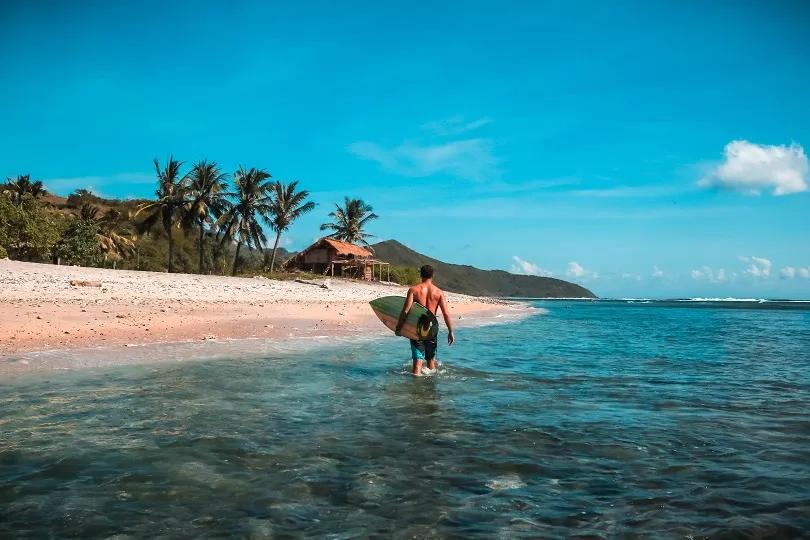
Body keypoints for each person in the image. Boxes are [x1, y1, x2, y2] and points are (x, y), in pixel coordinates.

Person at [394, 264, 455, 376]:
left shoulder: (414, 290)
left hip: (416, 329)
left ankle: (416, 388)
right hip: (431, 328)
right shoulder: (439, 292)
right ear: (432, 275)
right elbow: (446, 314)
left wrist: (398, 328)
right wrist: (450, 331)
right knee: (431, 361)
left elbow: (406, 311)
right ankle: (430, 388)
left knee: (417, 363)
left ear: (421, 275)